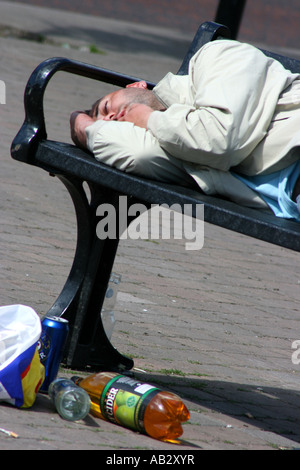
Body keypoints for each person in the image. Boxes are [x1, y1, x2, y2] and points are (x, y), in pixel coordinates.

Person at [70, 38, 300, 221]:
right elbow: (139, 154)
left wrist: (150, 120)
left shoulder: (218, 55)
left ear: (135, 86)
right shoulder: (171, 143)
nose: (110, 117)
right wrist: (83, 127)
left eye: (106, 106)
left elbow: (218, 139)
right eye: (107, 123)